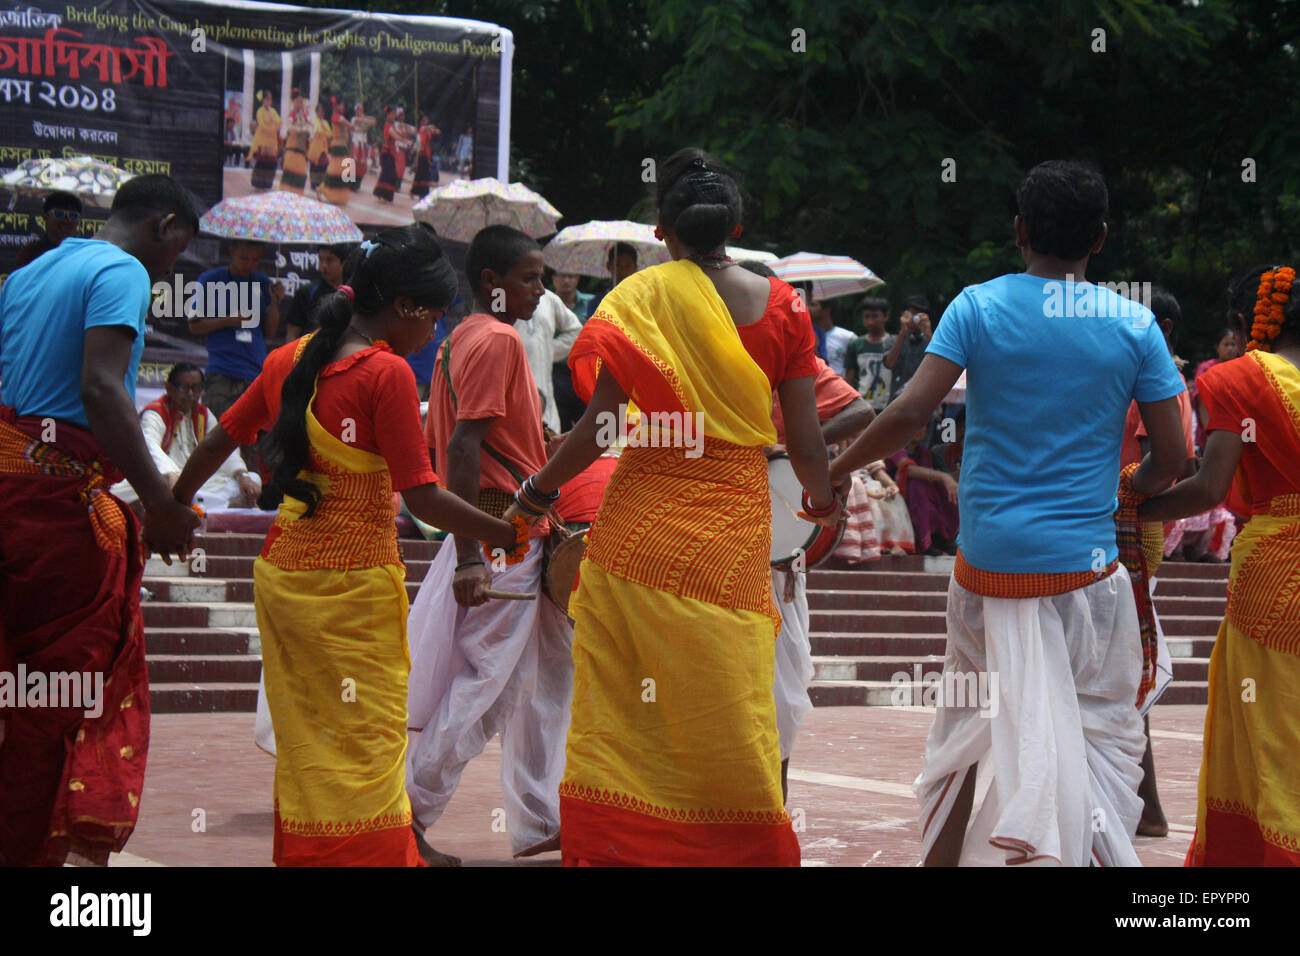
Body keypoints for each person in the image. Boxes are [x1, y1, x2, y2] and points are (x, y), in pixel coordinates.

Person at [829, 160, 1188, 866]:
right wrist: (1128, 488)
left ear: (1019, 231)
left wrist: (835, 473)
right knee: (1094, 730)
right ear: (1103, 238)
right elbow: (1171, 459)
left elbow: (908, 412)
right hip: (1089, 574)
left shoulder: (978, 306)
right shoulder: (1135, 324)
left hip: (988, 566)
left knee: (963, 724)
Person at [508, 148, 841, 866]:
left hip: (639, 532)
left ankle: (626, 848)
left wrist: (536, 490)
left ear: (662, 231)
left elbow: (600, 430)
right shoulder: (783, 305)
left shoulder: (638, 302)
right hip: (729, 534)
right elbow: (808, 444)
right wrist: (819, 499)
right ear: (738, 226)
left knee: (627, 711)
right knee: (728, 702)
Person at [172, 226, 518, 866]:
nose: (434, 336)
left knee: (309, 735)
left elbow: (222, 438)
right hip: (352, 582)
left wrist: (173, 505)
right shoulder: (383, 373)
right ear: (407, 307)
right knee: (366, 733)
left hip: (285, 574)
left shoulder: (289, 358)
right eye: (433, 319)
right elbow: (423, 497)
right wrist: (508, 530)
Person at [0, 174, 199, 866]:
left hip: (12, 496)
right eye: (180, 248)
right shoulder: (121, 270)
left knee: (16, 691)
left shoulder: (27, 274)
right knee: (57, 705)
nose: (174, 265)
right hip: (57, 519)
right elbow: (100, 387)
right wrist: (163, 505)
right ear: (163, 225)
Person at [405, 225, 575, 865]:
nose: (541, 291)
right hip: (502, 527)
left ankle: (537, 821)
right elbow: (460, 447)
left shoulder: (457, 341)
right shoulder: (500, 339)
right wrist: (474, 551)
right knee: (484, 686)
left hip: (499, 524)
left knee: (537, 680)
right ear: (491, 283)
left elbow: (452, 440)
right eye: (530, 278)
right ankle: (410, 813)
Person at [1139, 264, 1300, 866]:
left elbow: (1209, 489)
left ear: (1247, 323)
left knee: (1276, 734)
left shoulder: (1239, 381)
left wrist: (1129, 509)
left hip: (1278, 575)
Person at [767, 353, 874, 796]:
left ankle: (771, 816)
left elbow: (860, 411)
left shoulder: (789, 354)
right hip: (709, 533)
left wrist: (793, 453)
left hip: (775, 549)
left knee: (779, 689)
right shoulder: (694, 345)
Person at [109, 363, 260, 510]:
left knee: (253, 479)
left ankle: (202, 504)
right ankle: (225, 505)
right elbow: (149, 445)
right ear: (169, 388)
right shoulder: (156, 412)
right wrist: (170, 474)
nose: (191, 394)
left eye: (196, 388)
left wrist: (242, 476)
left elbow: (224, 447)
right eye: (184, 388)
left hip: (194, 479)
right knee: (140, 488)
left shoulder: (204, 414)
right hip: (166, 476)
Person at [187, 241, 284, 466]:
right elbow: (194, 325)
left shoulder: (262, 283)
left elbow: (270, 331)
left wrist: (276, 303)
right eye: (244, 258)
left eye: (255, 260)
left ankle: (252, 490)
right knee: (217, 439)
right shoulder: (210, 280)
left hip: (254, 373)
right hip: (222, 371)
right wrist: (229, 320)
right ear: (232, 252)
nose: (249, 264)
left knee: (253, 443)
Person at [886, 423, 960, 556]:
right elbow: (908, 470)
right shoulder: (893, 447)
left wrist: (952, 478)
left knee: (943, 488)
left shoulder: (925, 453)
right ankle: (925, 542)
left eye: (923, 425)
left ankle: (941, 537)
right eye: (915, 425)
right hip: (894, 491)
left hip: (920, 498)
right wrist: (944, 477)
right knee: (918, 485)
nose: (919, 429)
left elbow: (931, 478)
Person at [518, 289, 583, 434]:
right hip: (512, 403)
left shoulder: (548, 299)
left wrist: (547, 350)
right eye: (529, 277)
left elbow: (576, 331)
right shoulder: (500, 299)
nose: (539, 287)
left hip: (546, 405)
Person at [551, 271, 595, 429]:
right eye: (562, 276)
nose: (566, 281)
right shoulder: (543, 303)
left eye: (571, 276)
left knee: (587, 423)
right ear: (554, 279)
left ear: (578, 279)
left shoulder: (592, 303)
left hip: (584, 370)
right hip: (556, 372)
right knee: (558, 424)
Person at [285, 242, 353, 340]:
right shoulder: (307, 291)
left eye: (330, 260)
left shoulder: (351, 293)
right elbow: (292, 332)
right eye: (321, 259)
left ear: (343, 262)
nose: (324, 265)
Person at [844, 296, 895, 410]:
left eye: (875, 316)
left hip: (890, 404)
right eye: (866, 317)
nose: (870, 321)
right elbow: (850, 379)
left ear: (886, 316)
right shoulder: (856, 345)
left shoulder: (894, 343)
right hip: (864, 404)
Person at [882, 295, 933, 402]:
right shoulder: (893, 340)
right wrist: (902, 332)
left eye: (919, 315)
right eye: (912, 314)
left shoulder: (931, 341)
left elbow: (939, 362)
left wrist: (928, 333)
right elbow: (889, 364)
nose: (915, 319)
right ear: (903, 315)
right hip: (897, 399)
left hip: (924, 400)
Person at [14, 191, 83, 269]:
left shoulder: (83, 253)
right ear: (45, 217)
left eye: (73, 216)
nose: (66, 220)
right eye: (59, 214)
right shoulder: (30, 254)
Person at [584, 242, 638, 320]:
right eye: (617, 265)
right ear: (608, 266)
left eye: (628, 265)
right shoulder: (597, 302)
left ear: (635, 268)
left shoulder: (642, 301)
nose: (623, 270)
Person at [809, 295, 856, 378]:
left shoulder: (848, 337)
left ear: (827, 310)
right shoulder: (805, 336)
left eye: (813, 305)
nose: (807, 308)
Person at [319, 98, 353, 206]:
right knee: (337, 170)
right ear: (336, 106)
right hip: (338, 146)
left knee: (343, 170)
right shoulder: (336, 117)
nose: (343, 107)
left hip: (343, 146)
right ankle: (323, 189)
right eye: (341, 105)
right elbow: (349, 125)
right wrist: (356, 122)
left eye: (343, 105)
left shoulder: (340, 117)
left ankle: (337, 195)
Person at [278, 89, 312, 194]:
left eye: (301, 102)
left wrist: (308, 130)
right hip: (292, 149)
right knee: (290, 175)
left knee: (301, 175)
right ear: (293, 102)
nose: (300, 104)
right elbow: (289, 127)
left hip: (301, 151)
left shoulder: (305, 117)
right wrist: (300, 129)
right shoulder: (291, 115)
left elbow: (310, 128)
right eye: (297, 101)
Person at [248, 90, 281, 190]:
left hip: (272, 140)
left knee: (271, 162)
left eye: (270, 99)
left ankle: (267, 183)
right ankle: (257, 183)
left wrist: (272, 126)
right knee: (262, 161)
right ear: (263, 100)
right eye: (267, 99)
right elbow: (262, 125)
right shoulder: (259, 111)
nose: (269, 101)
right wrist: (271, 126)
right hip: (262, 139)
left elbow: (279, 122)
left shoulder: (273, 111)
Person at [409, 115, 440, 199]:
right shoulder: (422, 130)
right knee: (419, 173)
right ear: (422, 122)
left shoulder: (428, 130)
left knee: (425, 174)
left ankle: (421, 193)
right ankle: (413, 191)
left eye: (427, 120)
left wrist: (435, 130)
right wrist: (430, 127)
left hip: (427, 153)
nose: (426, 122)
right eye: (424, 121)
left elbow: (436, 131)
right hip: (422, 153)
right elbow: (425, 129)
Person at [373, 107, 399, 203]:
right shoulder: (388, 126)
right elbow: (395, 136)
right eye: (392, 114)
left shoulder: (393, 126)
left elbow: (398, 134)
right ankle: (383, 194)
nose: (393, 116)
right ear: (387, 115)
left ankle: (382, 194)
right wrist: (405, 140)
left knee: (388, 174)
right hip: (386, 153)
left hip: (390, 153)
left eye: (394, 114)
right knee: (388, 174)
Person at [307, 101, 332, 191]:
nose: (322, 113)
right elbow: (316, 132)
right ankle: (314, 184)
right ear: (317, 112)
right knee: (314, 166)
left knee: (323, 165)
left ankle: (321, 183)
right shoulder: (314, 121)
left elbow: (330, 134)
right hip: (315, 147)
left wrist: (324, 130)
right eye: (320, 111)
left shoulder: (325, 122)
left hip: (323, 148)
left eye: (323, 111)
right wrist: (324, 132)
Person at [348, 102, 373, 192]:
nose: (360, 111)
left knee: (361, 165)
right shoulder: (354, 119)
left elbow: (373, 122)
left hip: (362, 144)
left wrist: (364, 118)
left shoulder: (364, 119)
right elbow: (353, 127)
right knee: (352, 163)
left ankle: (357, 184)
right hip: (355, 143)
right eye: (358, 109)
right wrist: (361, 120)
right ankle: (348, 183)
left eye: (361, 109)